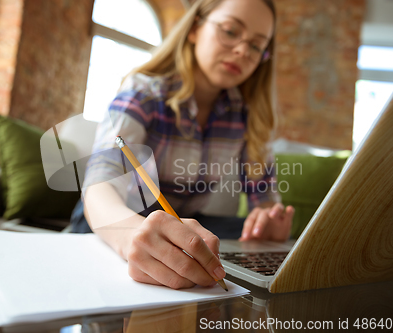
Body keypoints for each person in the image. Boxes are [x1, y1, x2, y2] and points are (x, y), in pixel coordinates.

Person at [71, 0, 294, 290]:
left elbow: (264, 200)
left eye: (255, 46)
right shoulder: (143, 92)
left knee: (256, 242)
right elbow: (100, 186)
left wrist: (268, 222)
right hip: (115, 218)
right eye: (230, 31)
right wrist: (131, 236)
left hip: (184, 223)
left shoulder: (247, 116)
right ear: (194, 28)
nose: (242, 50)